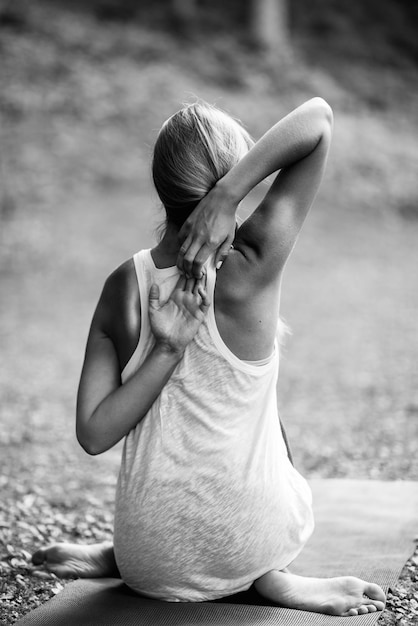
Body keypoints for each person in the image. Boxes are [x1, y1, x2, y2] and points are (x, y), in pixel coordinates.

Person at [33, 98, 386, 617]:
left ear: (163, 187)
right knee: (258, 402)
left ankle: (116, 554)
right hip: (248, 539)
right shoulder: (253, 264)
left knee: (231, 405)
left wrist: (165, 353)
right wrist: (231, 193)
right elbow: (319, 120)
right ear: (233, 177)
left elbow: (93, 434)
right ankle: (270, 574)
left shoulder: (121, 286)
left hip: (145, 559)